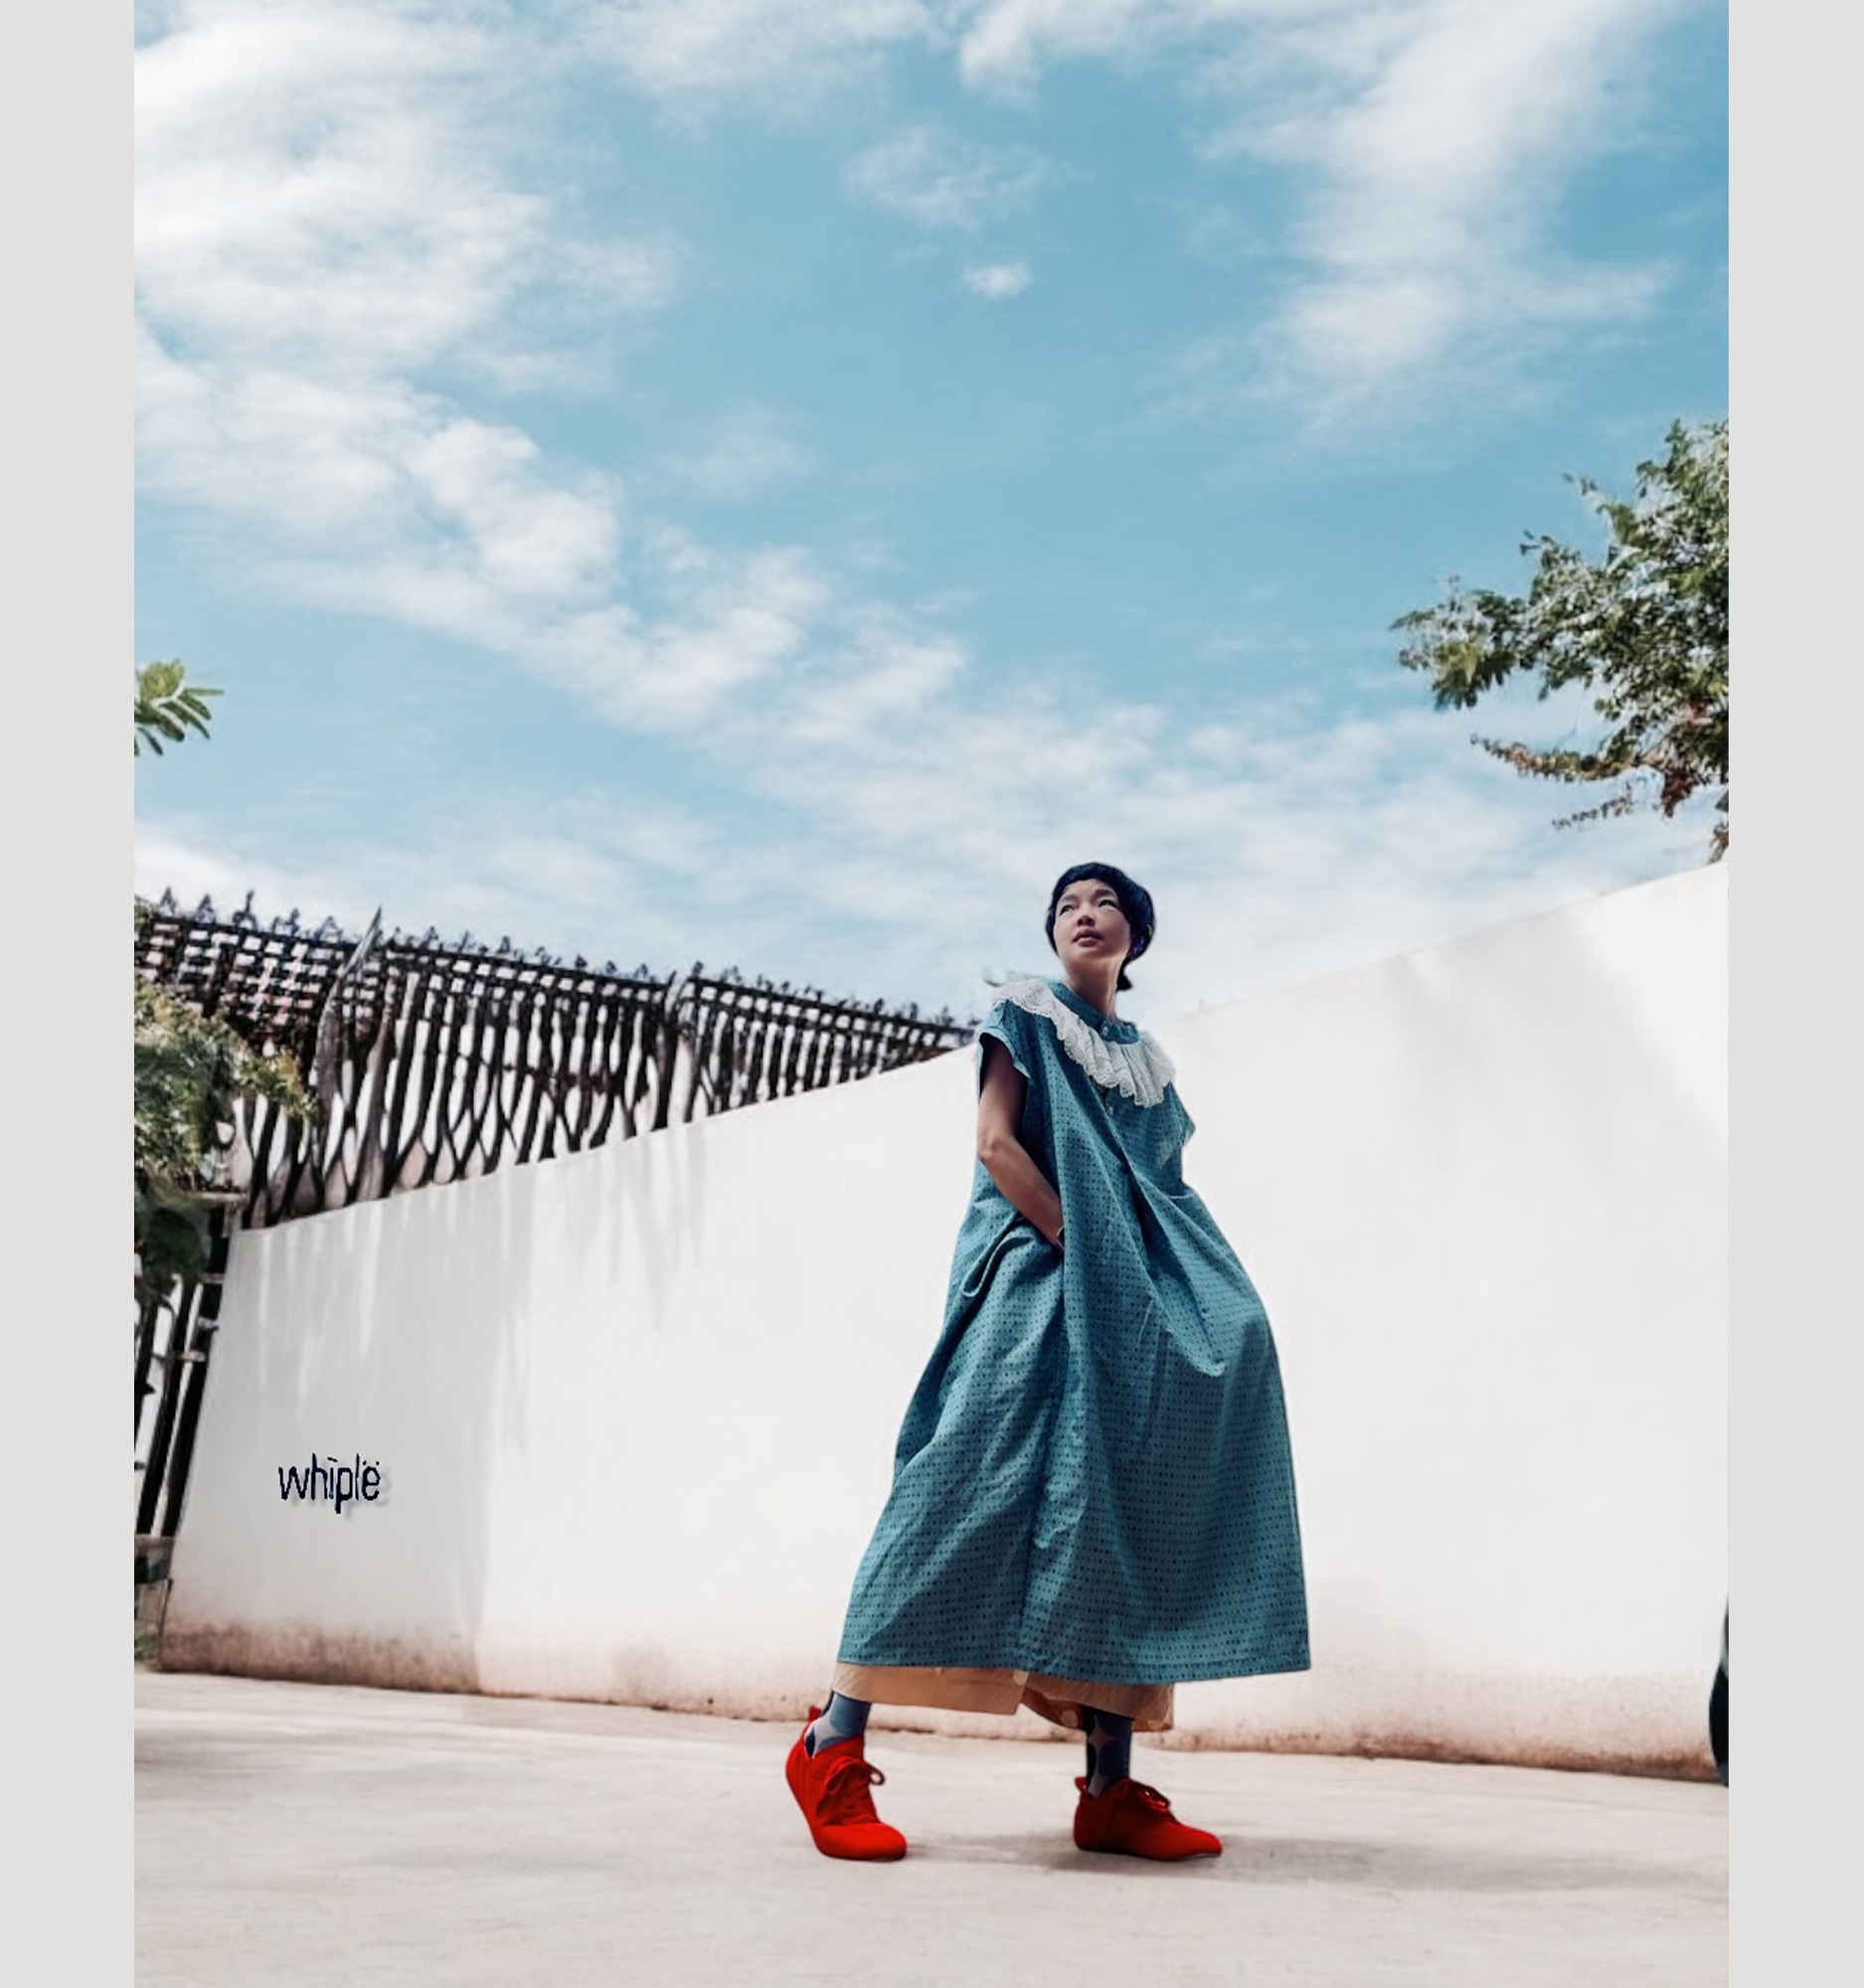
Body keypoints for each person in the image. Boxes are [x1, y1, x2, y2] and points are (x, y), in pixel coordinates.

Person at [785, 864, 1309, 1863]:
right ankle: (828, 1743)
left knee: (1124, 1506)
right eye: (1067, 903)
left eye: (1104, 901)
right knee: (954, 1485)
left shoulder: (1150, 1067)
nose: (1084, 912)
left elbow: (1161, 1189)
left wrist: (1192, 1292)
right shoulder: (1023, 1018)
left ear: (1135, 935)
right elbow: (996, 1145)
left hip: (1126, 1294)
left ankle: (1109, 1789)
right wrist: (1080, 1240)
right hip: (1033, 1272)